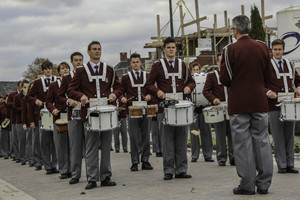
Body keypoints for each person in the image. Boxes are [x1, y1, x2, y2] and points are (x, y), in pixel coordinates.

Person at [220, 15, 273, 195]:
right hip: (259, 100)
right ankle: (264, 183)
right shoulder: (263, 47)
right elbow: (269, 76)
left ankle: (247, 184)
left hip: (239, 102)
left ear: (235, 29)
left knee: (243, 144)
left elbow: (225, 79)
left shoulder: (229, 50)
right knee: (262, 140)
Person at [67, 41, 121, 189]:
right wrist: (81, 96)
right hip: (89, 113)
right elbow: (71, 90)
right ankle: (92, 178)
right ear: (88, 52)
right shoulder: (80, 71)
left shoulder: (109, 69)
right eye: (94, 50)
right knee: (91, 147)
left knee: (105, 146)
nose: (97, 52)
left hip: (106, 112)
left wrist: (114, 94)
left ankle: (105, 176)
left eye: (99, 49)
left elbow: (118, 87)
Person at [145, 37, 195, 180]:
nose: (171, 50)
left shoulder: (183, 65)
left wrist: (188, 88)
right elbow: (148, 85)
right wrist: (157, 91)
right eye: (169, 47)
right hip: (165, 107)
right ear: (164, 49)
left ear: (176, 49)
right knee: (167, 140)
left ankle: (181, 170)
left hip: (180, 106)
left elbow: (191, 82)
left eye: (173, 47)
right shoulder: (157, 66)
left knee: (181, 139)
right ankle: (168, 170)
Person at [267, 39, 299, 174]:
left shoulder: (289, 64)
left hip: (289, 104)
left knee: (289, 135)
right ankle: (282, 165)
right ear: (271, 50)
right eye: (275, 49)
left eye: (280, 49)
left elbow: (297, 79)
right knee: (278, 135)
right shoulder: (266, 65)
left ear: (283, 50)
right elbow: (260, 83)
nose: (277, 52)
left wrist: (298, 87)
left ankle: (290, 164)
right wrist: (268, 92)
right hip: (274, 105)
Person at [116, 53, 153, 171]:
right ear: (130, 64)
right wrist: (122, 98)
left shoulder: (147, 75)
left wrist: (149, 96)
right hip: (132, 111)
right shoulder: (126, 77)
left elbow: (152, 90)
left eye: (137, 62)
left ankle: (145, 160)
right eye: (133, 62)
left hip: (145, 109)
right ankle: (135, 161)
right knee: (133, 136)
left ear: (140, 63)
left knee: (146, 136)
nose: (136, 64)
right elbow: (120, 91)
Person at [57, 52, 85, 184]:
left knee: (91, 145)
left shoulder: (87, 74)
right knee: (74, 146)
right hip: (73, 115)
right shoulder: (67, 77)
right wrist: (69, 101)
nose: (78, 62)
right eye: (76, 60)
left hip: (87, 114)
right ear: (72, 62)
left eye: (80, 60)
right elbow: (59, 96)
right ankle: (75, 174)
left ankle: (92, 173)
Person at [27, 60, 58, 174]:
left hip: (55, 112)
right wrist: (36, 100)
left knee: (55, 141)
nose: (48, 70)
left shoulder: (57, 80)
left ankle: (54, 164)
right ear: (43, 70)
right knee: (44, 142)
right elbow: (28, 96)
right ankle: (47, 166)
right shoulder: (37, 82)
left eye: (49, 68)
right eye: (45, 69)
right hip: (43, 114)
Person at [203, 54, 234, 166]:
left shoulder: (232, 73)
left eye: (225, 62)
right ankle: (221, 158)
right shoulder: (212, 75)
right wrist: (213, 99)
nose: (223, 64)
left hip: (231, 107)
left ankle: (233, 157)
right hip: (219, 108)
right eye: (221, 61)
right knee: (220, 134)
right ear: (217, 63)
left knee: (232, 134)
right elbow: (205, 91)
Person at [46, 62, 71, 179]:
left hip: (72, 116)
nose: (65, 70)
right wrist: (53, 109)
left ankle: (73, 168)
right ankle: (64, 170)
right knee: (61, 146)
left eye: (67, 68)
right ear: (59, 71)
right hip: (59, 117)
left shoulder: (74, 82)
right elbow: (48, 102)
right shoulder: (53, 85)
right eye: (63, 68)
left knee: (73, 145)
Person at [190, 63, 214, 163]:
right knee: (194, 134)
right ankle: (194, 155)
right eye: (194, 70)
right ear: (191, 71)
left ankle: (208, 155)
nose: (196, 71)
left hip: (204, 110)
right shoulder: (190, 80)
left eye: (197, 69)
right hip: (194, 111)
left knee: (206, 133)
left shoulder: (204, 79)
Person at [13, 79, 30, 165]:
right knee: (22, 140)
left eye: (27, 87)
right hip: (20, 121)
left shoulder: (30, 96)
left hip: (29, 120)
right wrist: (24, 108)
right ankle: (22, 158)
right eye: (24, 87)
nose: (26, 89)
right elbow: (15, 108)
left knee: (30, 141)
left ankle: (30, 158)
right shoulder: (17, 97)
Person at [6, 81, 22, 161]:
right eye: (21, 86)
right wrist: (15, 103)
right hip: (15, 119)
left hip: (23, 119)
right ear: (18, 87)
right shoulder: (12, 95)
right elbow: (7, 104)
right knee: (15, 139)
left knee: (22, 139)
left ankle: (22, 155)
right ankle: (16, 155)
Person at [0, 94, 10, 159]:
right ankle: (4, 153)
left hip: (10, 124)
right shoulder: (1, 107)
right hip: (3, 124)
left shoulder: (10, 106)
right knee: (4, 140)